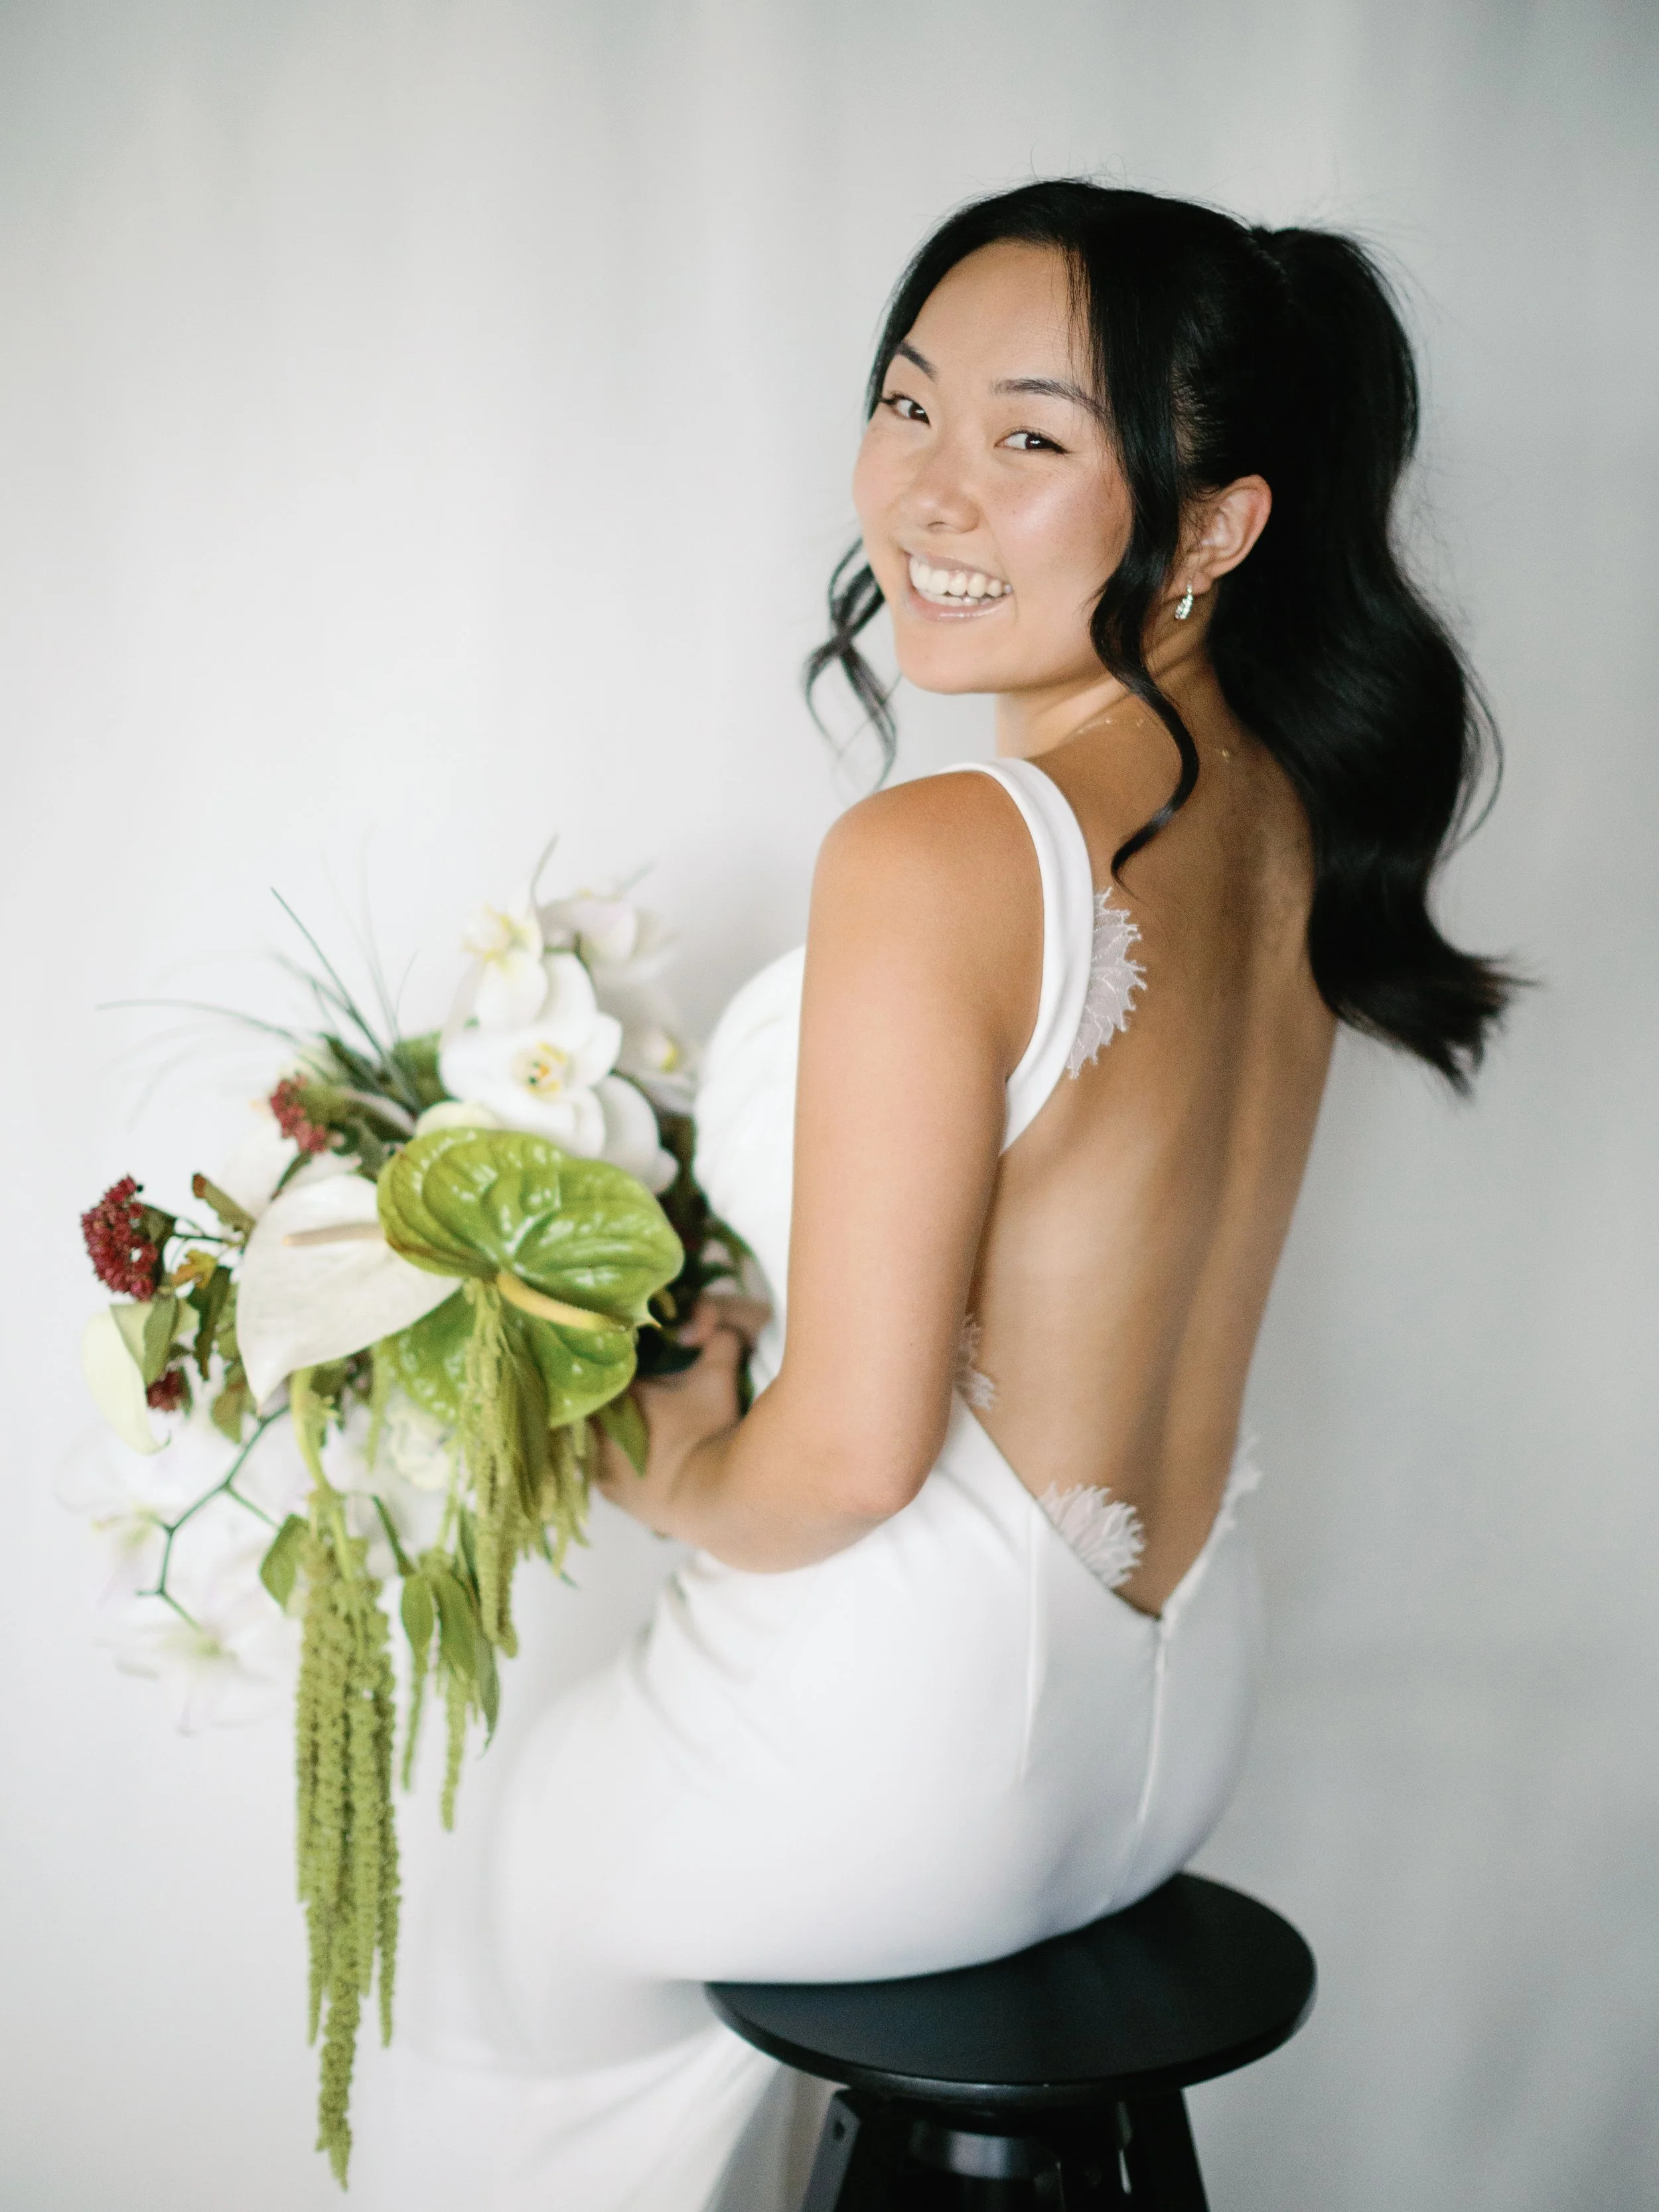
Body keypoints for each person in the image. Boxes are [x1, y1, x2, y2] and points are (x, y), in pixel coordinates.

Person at [354, 179, 1510, 2211]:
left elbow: (851, 1463)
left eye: (1032, 437)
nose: (932, 494)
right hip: (1163, 1741)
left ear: (1216, 520)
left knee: (486, 1957)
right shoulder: (1289, 814)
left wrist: (662, 1453)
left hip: (905, 1765)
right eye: (907, 405)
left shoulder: (942, 850)